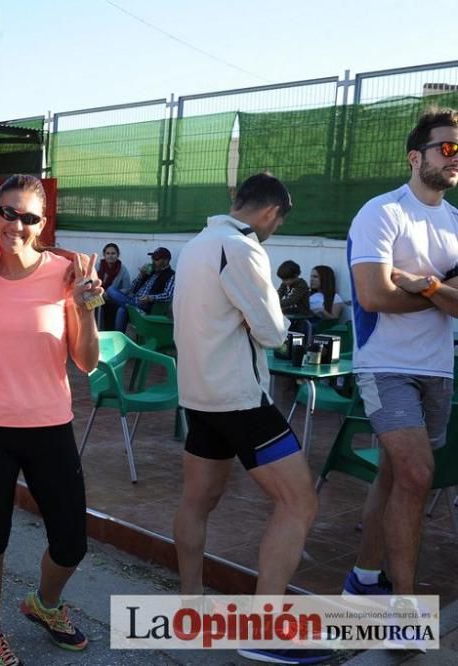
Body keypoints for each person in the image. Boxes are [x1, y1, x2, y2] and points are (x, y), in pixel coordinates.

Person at [172, 173, 329, 665]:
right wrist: (272, 322)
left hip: (198, 396)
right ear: (270, 213)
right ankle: (266, 629)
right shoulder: (242, 247)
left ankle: (191, 605)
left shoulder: (197, 243)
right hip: (239, 398)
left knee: (198, 501)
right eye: (278, 221)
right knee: (298, 502)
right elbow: (272, 331)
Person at [0, 175, 99, 665]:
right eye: (7, 212)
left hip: (49, 425)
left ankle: (44, 603)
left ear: (43, 223)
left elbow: (86, 362)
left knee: (71, 541)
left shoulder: (63, 274)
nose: (16, 225)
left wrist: (86, 307)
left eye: (29, 217)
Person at [343, 108, 458, 606]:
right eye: (448, 148)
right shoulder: (381, 213)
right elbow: (373, 296)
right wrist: (442, 295)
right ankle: (403, 607)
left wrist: (425, 283)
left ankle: (364, 578)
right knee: (415, 474)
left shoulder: (456, 222)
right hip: (385, 363)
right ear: (416, 156)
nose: (456, 158)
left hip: (438, 367)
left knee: (395, 475)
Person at [106, 246, 175, 331]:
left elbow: (168, 295)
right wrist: (141, 275)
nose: (153, 261)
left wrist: (151, 297)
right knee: (118, 303)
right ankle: (118, 338)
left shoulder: (171, 275)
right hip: (133, 299)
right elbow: (131, 289)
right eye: (152, 258)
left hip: (145, 305)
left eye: (156, 259)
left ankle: (128, 305)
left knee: (111, 293)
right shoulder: (151, 271)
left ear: (166, 261)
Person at [96, 242, 130, 330]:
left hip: (113, 300)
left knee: (112, 294)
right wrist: (101, 294)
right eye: (108, 253)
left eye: (113, 253)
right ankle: (95, 332)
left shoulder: (122, 269)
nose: (110, 256)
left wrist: (110, 294)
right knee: (89, 304)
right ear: (104, 255)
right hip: (98, 297)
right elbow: (90, 283)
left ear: (118, 255)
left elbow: (126, 289)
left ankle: (112, 335)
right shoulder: (98, 266)